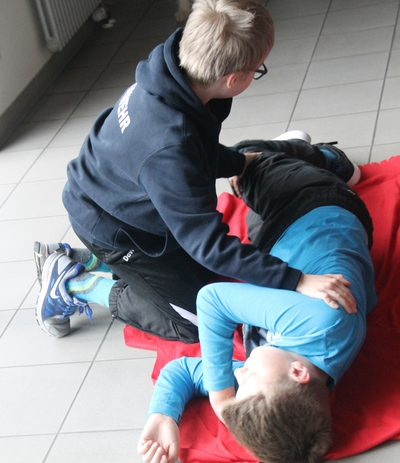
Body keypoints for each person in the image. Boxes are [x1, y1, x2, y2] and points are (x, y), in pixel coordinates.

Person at [34, 0, 356, 342]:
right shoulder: (169, 147)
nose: (257, 74)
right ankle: (74, 284)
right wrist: (297, 280)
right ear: (233, 79)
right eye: (257, 69)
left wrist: (238, 163)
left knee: (216, 281)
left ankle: (93, 262)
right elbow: (208, 243)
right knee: (201, 321)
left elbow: (193, 149)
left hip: (129, 191)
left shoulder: (173, 69)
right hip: (118, 229)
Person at [137, 137, 377, 463]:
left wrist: (163, 413)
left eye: (239, 384)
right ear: (298, 373)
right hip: (315, 204)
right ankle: (325, 157)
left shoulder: (278, 382)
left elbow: (183, 371)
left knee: (240, 196)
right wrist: (220, 398)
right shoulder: (326, 321)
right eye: (247, 379)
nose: (240, 372)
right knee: (239, 159)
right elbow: (212, 299)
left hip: (273, 244)